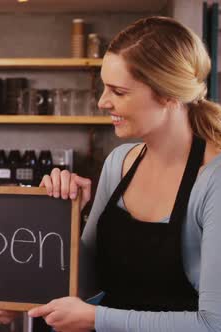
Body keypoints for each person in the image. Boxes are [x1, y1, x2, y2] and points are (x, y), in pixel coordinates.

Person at [29, 16, 221, 331]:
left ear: (168, 95)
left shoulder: (214, 180)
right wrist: (65, 218)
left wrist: (96, 318)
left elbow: (213, 323)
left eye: (118, 91)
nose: (103, 102)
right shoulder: (119, 164)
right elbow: (86, 282)